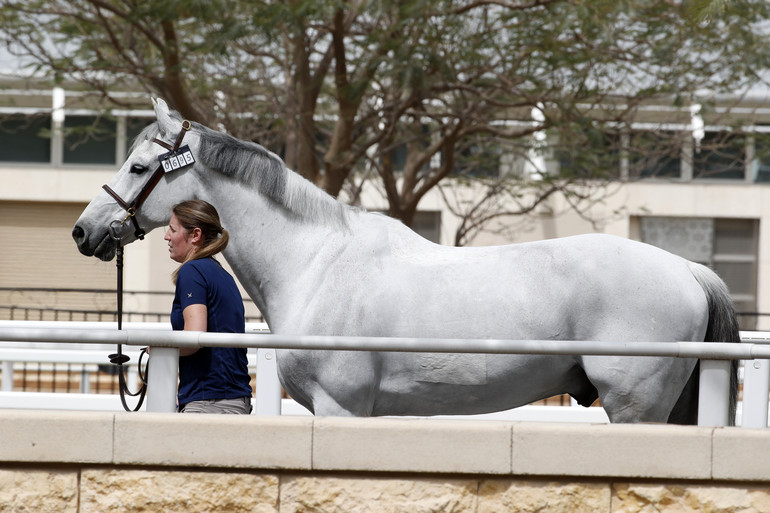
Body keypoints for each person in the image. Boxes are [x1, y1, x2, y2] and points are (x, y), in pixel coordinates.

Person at [165, 199, 253, 414]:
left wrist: (158, 348)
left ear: (195, 235)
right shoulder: (222, 275)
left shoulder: (192, 271)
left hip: (208, 402)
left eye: (172, 229)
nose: (166, 236)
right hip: (232, 399)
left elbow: (194, 338)